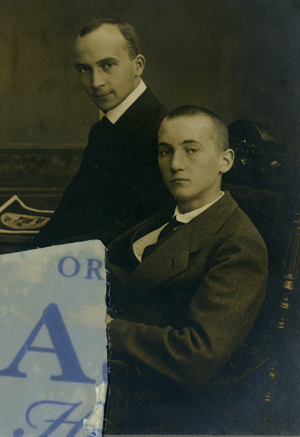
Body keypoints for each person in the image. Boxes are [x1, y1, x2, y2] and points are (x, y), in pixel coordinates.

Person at [105, 106, 269, 432]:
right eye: (165, 151)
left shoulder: (238, 245)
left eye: (191, 150)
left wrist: (107, 329)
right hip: (122, 371)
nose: (175, 164)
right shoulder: (166, 218)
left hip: (168, 405)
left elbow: (197, 355)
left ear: (225, 160)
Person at [34, 18, 171, 247]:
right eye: (84, 69)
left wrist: (37, 253)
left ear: (138, 65)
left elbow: (127, 234)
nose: (96, 82)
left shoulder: (160, 134)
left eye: (107, 65)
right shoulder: (106, 126)